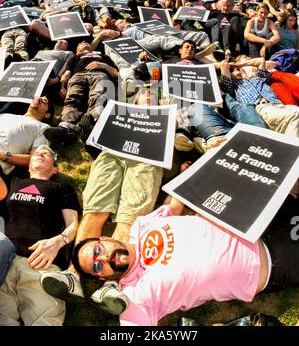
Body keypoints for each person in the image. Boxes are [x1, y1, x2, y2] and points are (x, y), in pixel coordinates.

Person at [70, 194, 299, 326]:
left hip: (256, 217)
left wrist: (189, 172)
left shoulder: (141, 226)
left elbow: (172, 206)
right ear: (102, 277)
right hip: (272, 260)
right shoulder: (134, 296)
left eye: (98, 249)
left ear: (106, 238)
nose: (104, 257)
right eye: (97, 265)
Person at [40, 87, 163, 315]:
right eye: (142, 95)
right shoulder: (120, 115)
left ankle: (111, 285)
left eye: (151, 97)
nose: (146, 97)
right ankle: (72, 275)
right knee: (95, 210)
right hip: (110, 154)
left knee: (130, 217)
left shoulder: (163, 121)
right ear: (134, 101)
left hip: (147, 156)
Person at [0, 145, 80, 326]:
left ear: (55, 169)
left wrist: (59, 241)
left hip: (43, 264)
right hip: (5, 260)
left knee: (44, 321)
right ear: (28, 166)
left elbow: (73, 225)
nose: (40, 154)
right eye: (35, 153)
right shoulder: (13, 181)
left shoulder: (61, 187)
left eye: (46, 154)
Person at [44, 41, 119, 145]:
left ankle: (93, 123)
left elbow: (116, 73)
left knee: (99, 97)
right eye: (80, 43)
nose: (84, 42)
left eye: (85, 42)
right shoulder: (74, 58)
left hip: (99, 74)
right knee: (72, 97)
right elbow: (67, 73)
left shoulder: (103, 56)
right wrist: (62, 85)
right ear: (77, 51)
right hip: (78, 75)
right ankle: (66, 127)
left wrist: (103, 66)